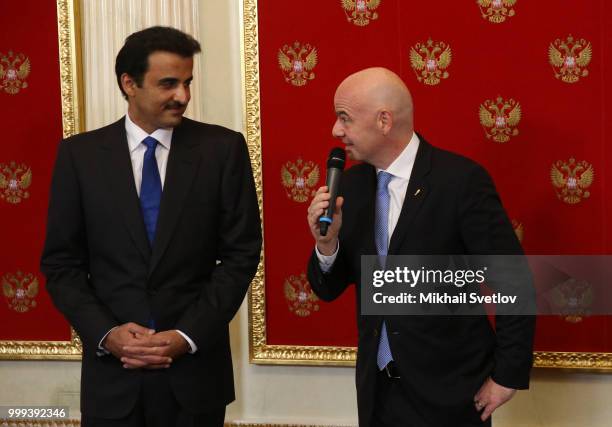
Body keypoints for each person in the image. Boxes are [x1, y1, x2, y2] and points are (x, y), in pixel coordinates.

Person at [41, 26, 261, 427]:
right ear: (129, 84)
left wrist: (186, 336)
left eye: (187, 82)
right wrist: (108, 334)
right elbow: (61, 266)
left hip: (195, 382)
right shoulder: (80, 157)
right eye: (169, 83)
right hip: (112, 382)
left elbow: (241, 256)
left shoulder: (222, 150)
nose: (183, 96)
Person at [306, 67, 535, 427]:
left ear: (384, 121)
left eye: (345, 118)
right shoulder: (350, 188)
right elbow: (327, 289)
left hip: (450, 395)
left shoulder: (460, 182)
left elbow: (515, 282)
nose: (336, 131)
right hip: (377, 394)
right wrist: (327, 243)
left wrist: (506, 377)